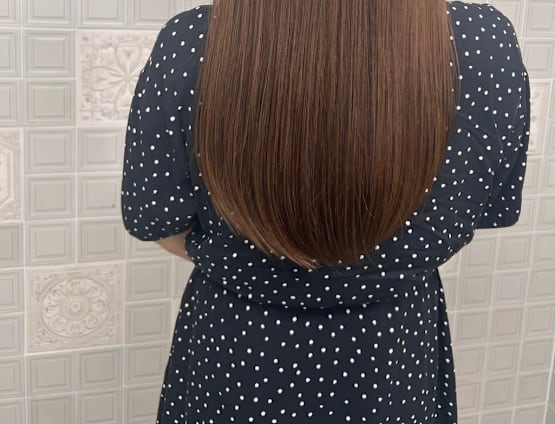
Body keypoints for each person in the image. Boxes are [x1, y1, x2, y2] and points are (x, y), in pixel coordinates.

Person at [121, 1, 530, 422]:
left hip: (236, 352)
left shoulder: (192, 41)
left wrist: (248, 258)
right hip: (394, 358)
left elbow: (155, 219)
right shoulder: (484, 40)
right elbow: (488, 207)